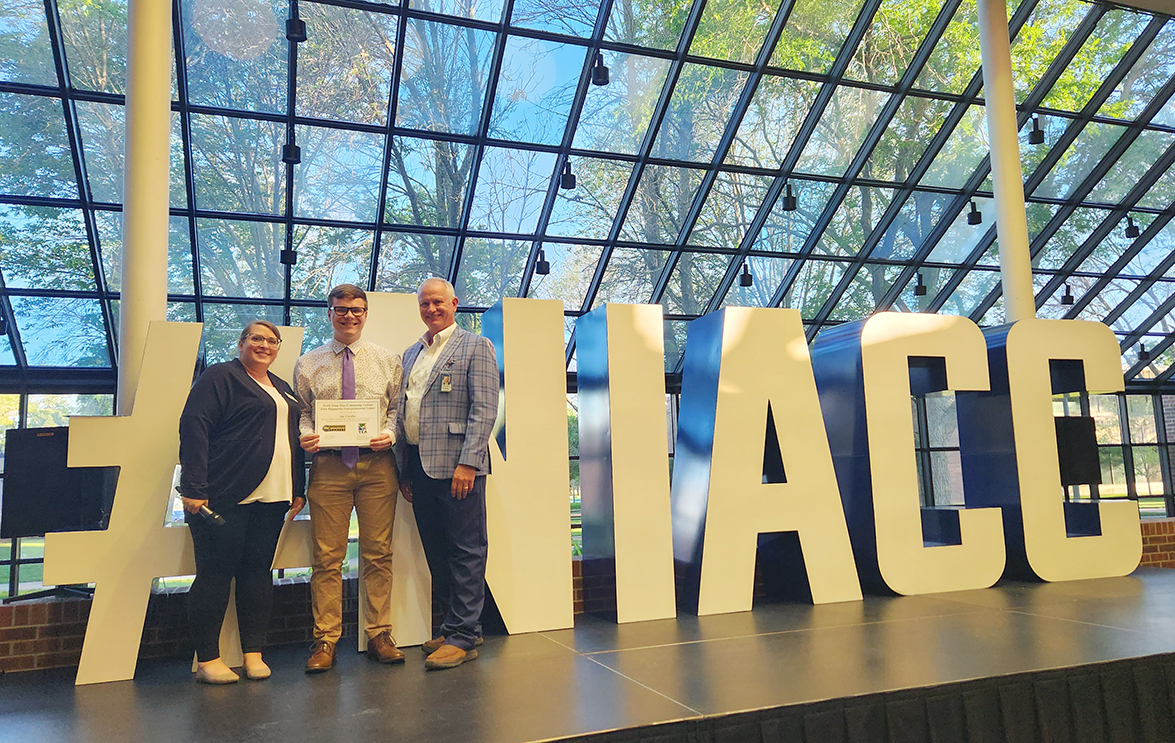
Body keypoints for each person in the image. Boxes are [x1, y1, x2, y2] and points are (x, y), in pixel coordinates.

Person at [179, 321, 305, 684]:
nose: (264, 345)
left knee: (256, 575)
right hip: (224, 494)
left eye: (271, 341)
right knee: (215, 575)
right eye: (256, 339)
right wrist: (194, 485)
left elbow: (291, 439)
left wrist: (298, 487)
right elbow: (194, 425)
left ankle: (253, 653)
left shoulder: (281, 387)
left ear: (278, 348)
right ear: (241, 343)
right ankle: (208, 660)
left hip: (273, 497)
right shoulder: (220, 377)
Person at [294, 284, 404, 673]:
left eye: (357, 310)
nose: (349, 316)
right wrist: (306, 434)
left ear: (366, 313)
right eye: (341, 309)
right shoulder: (308, 363)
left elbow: (396, 412)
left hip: (378, 468)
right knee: (327, 558)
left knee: (378, 553)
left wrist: (389, 435)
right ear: (329, 313)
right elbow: (305, 413)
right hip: (327, 467)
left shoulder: (388, 360)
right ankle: (325, 639)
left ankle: (379, 633)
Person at [396, 277, 499, 670]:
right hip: (419, 469)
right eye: (425, 303)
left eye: (438, 302)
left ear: (454, 303)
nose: (431, 309)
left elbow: (485, 408)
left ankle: (463, 635)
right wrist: (404, 469)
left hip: (459, 469)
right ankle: (457, 625)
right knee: (438, 553)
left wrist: (469, 462)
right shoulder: (410, 354)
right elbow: (406, 411)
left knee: (466, 551)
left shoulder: (476, 346)